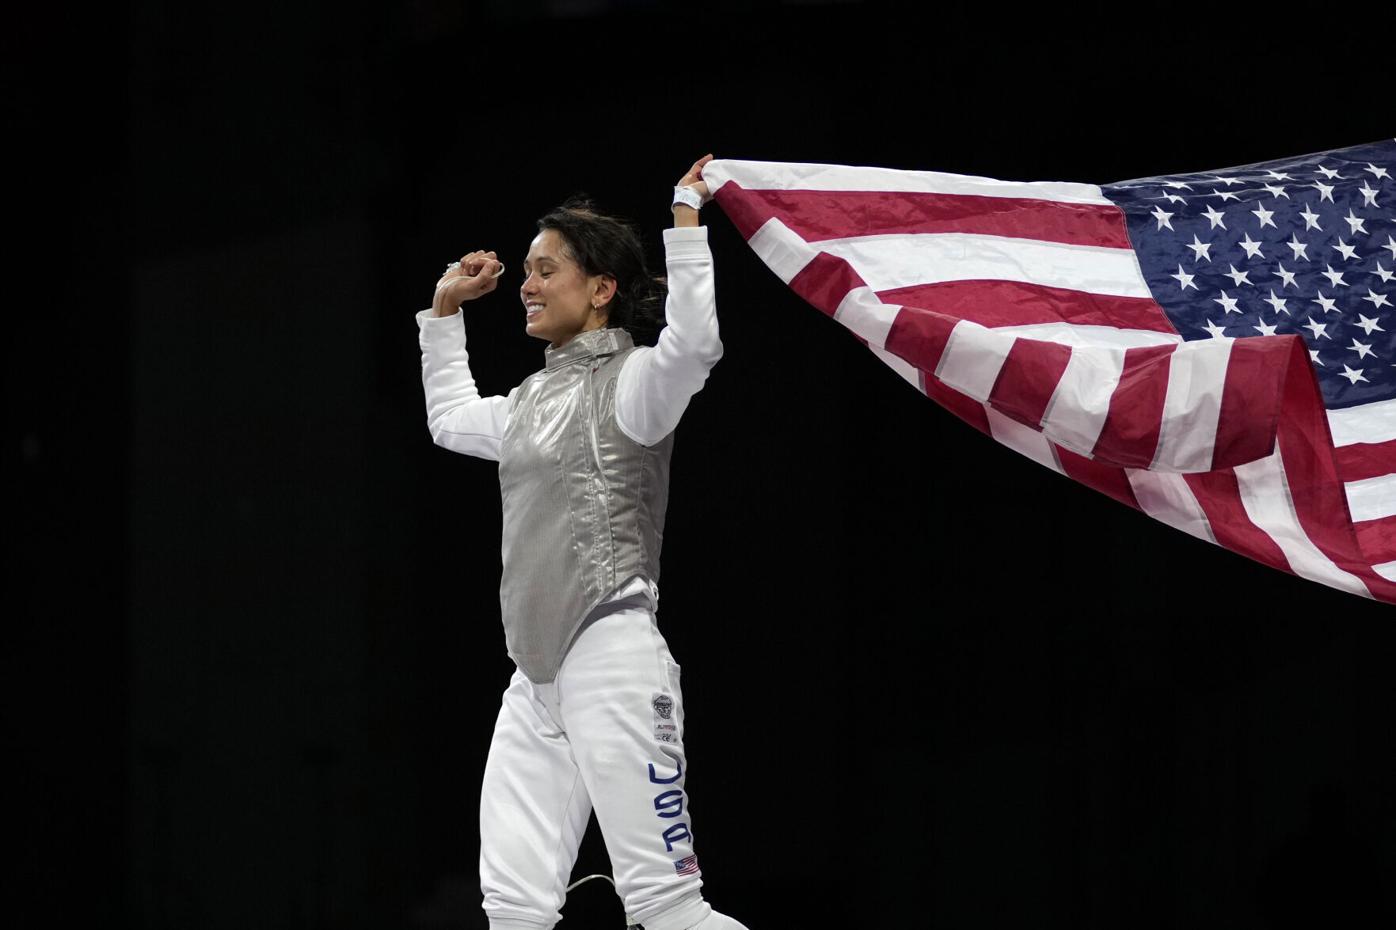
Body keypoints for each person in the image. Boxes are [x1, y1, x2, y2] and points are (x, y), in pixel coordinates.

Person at [416, 155, 749, 930]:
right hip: (535, 681)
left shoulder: (636, 384)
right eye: (525, 271)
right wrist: (443, 308)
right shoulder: (529, 402)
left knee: (668, 908)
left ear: (601, 289)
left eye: (545, 269)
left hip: (612, 657)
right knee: (513, 910)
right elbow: (448, 418)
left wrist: (687, 219)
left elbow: (695, 345)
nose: (527, 286)